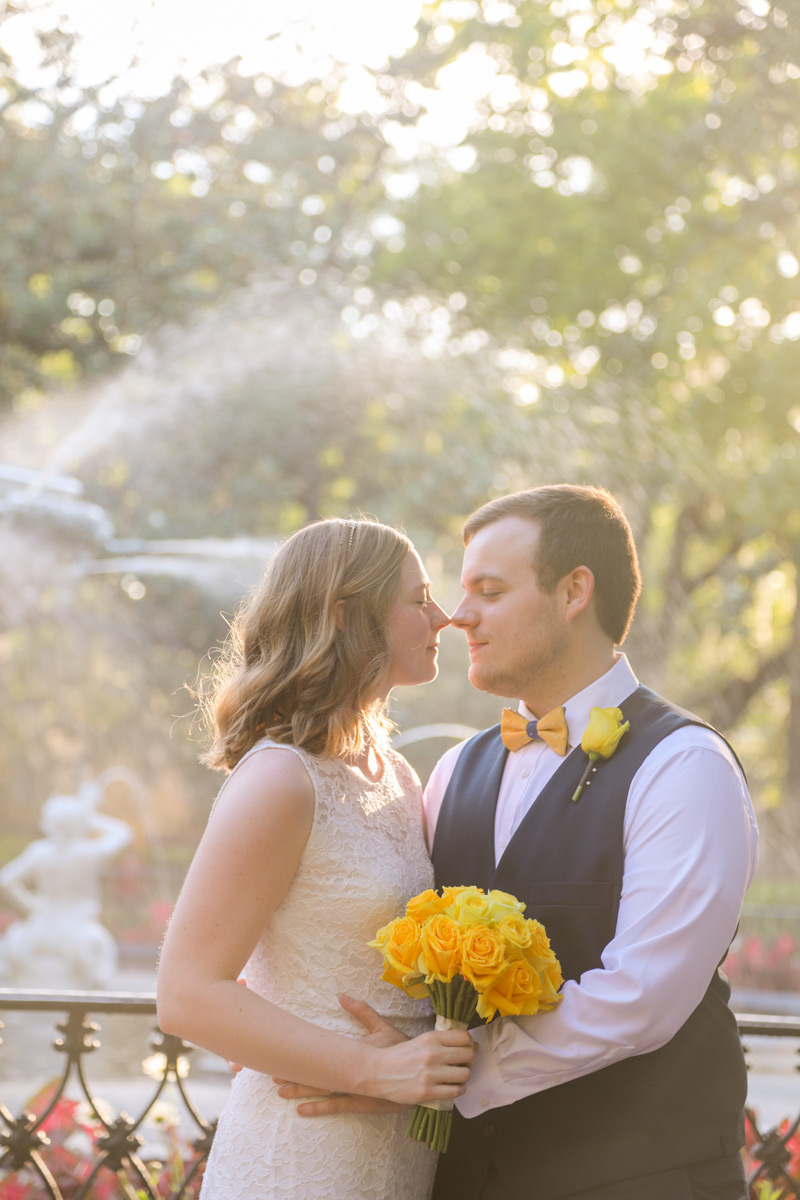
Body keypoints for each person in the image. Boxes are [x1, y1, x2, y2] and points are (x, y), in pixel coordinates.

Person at [281, 486, 758, 1200]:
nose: (456, 614)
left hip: (642, 1179)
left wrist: (439, 1075)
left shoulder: (684, 766)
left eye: (490, 590)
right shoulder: (451, 772)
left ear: (574, 592)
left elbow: (642, 997)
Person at [156, 517, 474, 1200]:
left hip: (395, 1157)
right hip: (297, 1158)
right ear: (347, 615)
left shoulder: (395, 774)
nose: (443, 617)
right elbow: (186, 993)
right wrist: (373, 1071)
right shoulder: (279, 779)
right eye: (419, 600)